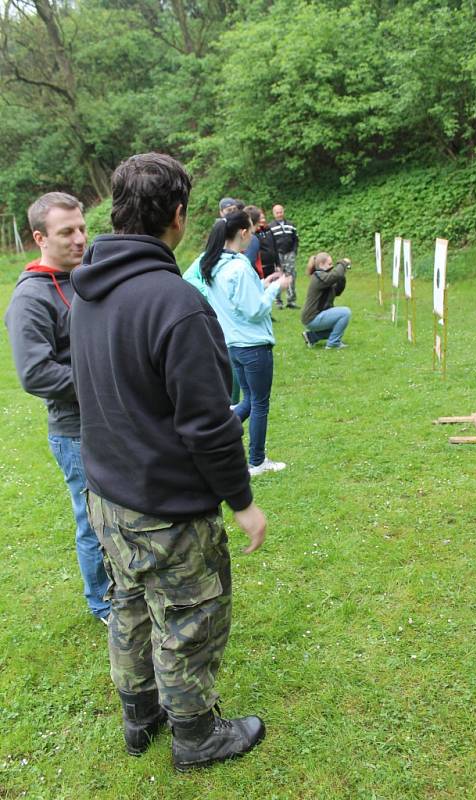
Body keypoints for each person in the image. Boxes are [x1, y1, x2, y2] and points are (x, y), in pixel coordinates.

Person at [69, 153, 267, 771]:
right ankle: (195, 735)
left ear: (117, 211)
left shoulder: (87, 291)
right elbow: (209, 426)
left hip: (108, 495)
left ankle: (139, 715)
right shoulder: (176, 303)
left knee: (129, 604)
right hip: (164, 509)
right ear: (178, 216)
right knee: (187, 618)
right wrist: (243, 501)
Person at [4, 192, 110, 624]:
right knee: (91, 521)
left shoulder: (86, 276)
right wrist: (103, 384)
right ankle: (102, 601)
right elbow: (35, 374)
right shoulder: (31, 298)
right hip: (74, 430)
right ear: (39, 238)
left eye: (82, 228)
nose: (79, 239)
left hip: (109, 419)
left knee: (117, 514)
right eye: (66, 232)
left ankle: (122, 585)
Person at [187, 210, 290, 476]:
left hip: (233, 345)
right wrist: (274, 289)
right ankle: (256, 461)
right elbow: (254, 310)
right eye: (252, 232)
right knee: (259, 404)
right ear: (243, 232)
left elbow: (238, 299)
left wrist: (262, 283)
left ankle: (210, 442)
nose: (253, 237)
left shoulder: (212, 264)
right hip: (253, 345)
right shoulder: (239, 266)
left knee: (247, 400)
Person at [301, 252, 352, 349]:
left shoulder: (324, 277)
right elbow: (334, 276)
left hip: (313, 317)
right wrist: (343, 263)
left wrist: (342, 277)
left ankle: (311, 337)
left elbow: (337, 291)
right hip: (312, 318)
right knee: (345, 313)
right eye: (329, 264)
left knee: (338, 326)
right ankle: (333, 343)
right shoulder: (319, 276)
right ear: (321, 265)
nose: (331, 266)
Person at [269, 203, 299, 308]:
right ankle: (278, 301)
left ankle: (291, 301)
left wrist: (294, 251)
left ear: (283, 212)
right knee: (278, 276)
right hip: (277, 254)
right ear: (274, 214)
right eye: (277, 212)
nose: (279, 214)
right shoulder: (270, 227)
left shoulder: (291, 224)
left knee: (291, 276)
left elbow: (296, 239)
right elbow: (270, 242)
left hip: (289, 253)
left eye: (281, 212)